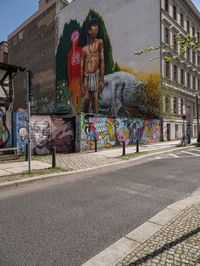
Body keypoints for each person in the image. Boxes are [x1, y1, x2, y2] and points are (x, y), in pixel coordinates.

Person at [81, 18, 105, 113]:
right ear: (89, 30)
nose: (96, 29)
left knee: (95, 99)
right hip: (87, 76)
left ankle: (95, 122)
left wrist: (102, 78)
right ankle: (84, 119)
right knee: (86, 99)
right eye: (93, 28)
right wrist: (82, 82)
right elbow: (81, 66)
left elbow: (102, 60)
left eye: (97, 28)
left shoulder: (100, 42)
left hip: (95, 74)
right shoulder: (84, 49)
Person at [68, 30, 82, 113]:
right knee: (74, 95)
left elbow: (82, 65)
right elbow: (69, 68)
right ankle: (74, 111)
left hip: (79, 77)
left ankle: (79, 111)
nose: (75, 41)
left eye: (76, 39)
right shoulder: (69, 54)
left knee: (79, 95)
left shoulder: (80, 50)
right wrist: (69, 81)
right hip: (73, 78)